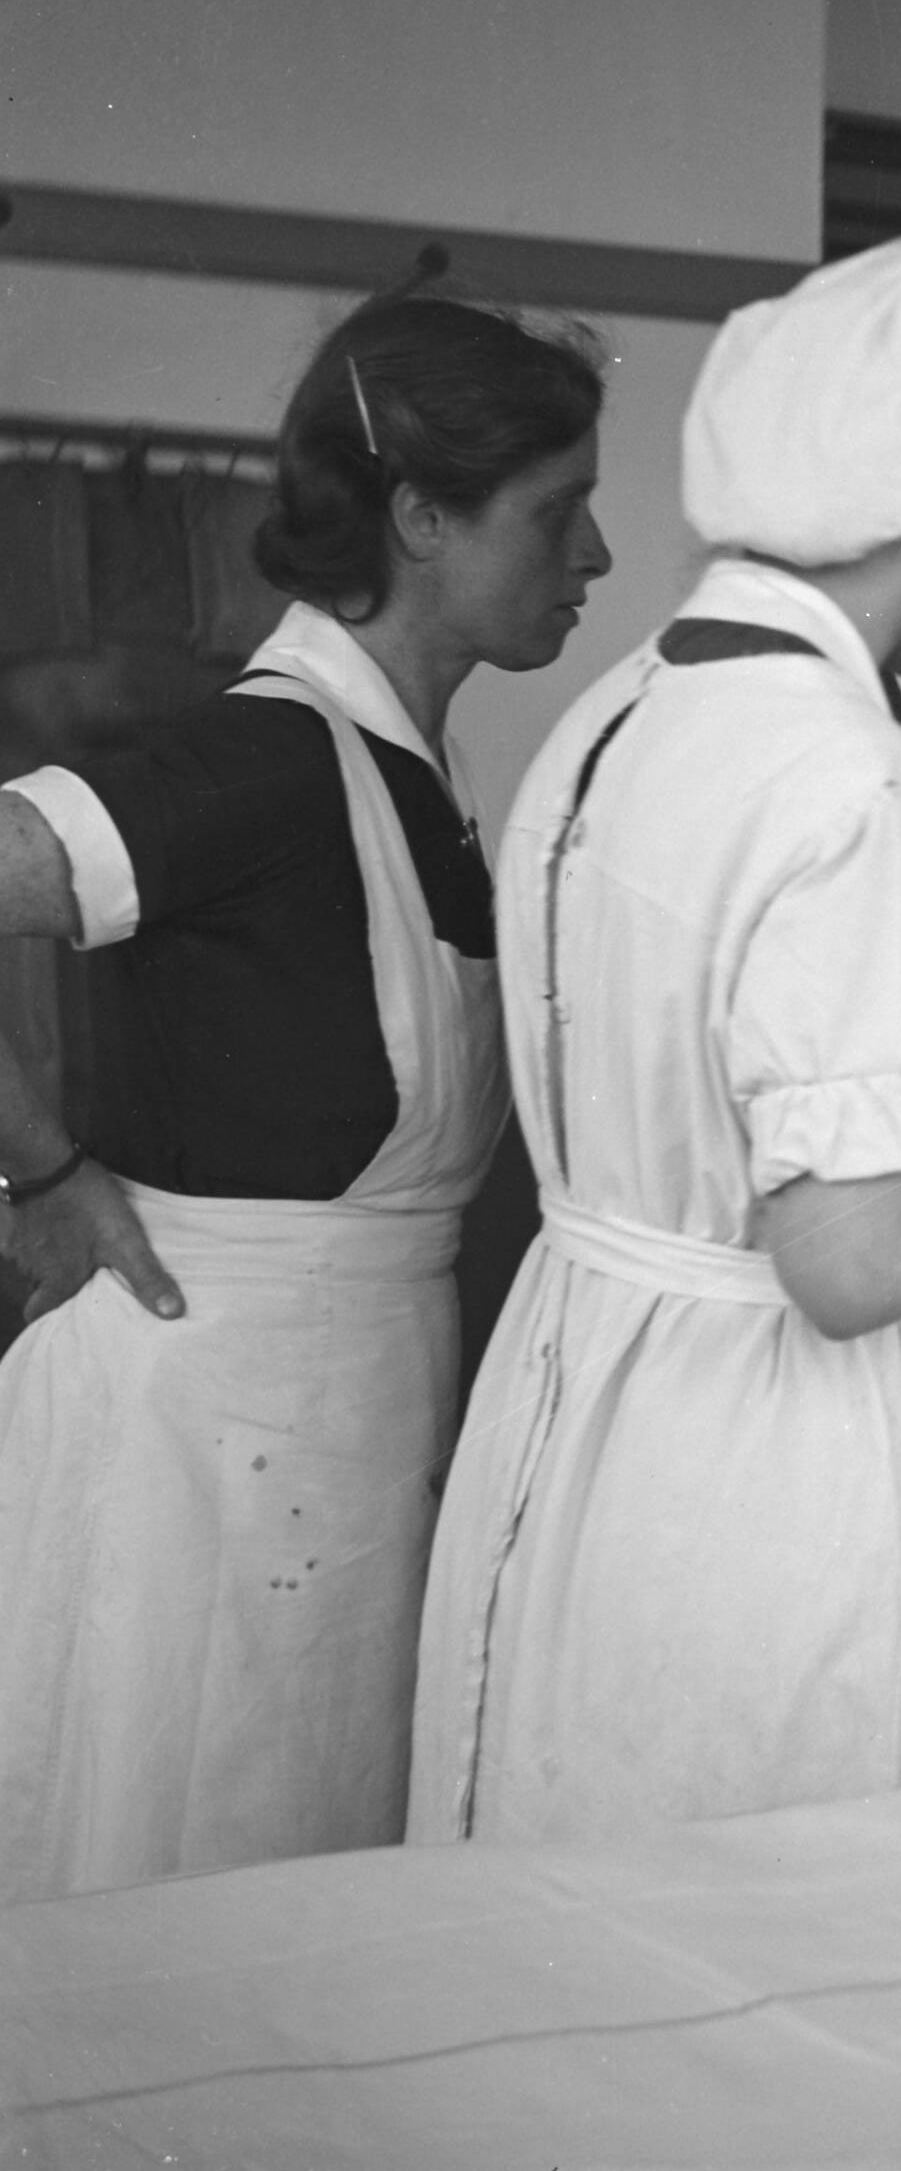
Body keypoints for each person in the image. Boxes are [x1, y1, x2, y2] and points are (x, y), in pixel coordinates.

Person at [409, 234, 901, 1847]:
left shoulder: (622, 707)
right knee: (794, 1886)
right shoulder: (850, 774)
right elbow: (845, 1261)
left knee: (593, 1867)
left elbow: (691, 1044)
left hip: (590, 1401)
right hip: (767, 1447)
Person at [0, 291, 609, 1900]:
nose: (597, 554)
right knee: (191, 1904)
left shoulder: (415, 776)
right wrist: (36, 1170)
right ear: (421, 517)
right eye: (556, 510)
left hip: (347, 1420)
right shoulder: (264, 763)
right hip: (208, 1433)